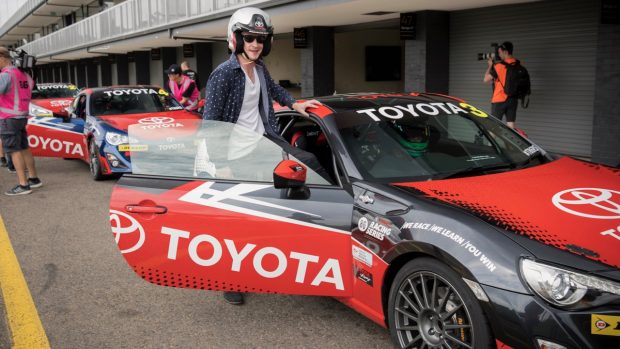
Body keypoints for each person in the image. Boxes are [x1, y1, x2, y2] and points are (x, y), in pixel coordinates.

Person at [203, 7, 325, 306]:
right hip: (235, 156)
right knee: (237, 220)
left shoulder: (259, 69)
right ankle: (230, 279)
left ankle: (299, 252)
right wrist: (223, 166)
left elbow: (274, 91)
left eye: (260, 38)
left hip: (264, 146)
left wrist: (296, 105)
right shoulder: (223, 74)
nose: (256, 44)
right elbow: (211, 125)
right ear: (237, 39)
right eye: (249, 38)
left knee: (312, 166)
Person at [0, 46, 42, 195]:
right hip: (22, 116)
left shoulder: (5, 75)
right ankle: (33, 178)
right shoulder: (23, 74)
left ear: (2, 58)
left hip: (8, 118)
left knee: (14, 150)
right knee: (24, 148)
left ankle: (23, 185)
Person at [483, 41, 519, 129]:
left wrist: (490, 66)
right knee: (511, 127)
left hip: (499, 99)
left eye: (499, 52)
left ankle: (491, 143)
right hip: (513, 99)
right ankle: (510, 143)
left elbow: (485, 79)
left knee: (493, 127)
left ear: (505, 52)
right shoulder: (517, 64)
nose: (499, 55)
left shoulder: (500, 66)